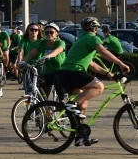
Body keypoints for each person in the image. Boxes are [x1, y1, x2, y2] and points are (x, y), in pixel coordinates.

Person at [56, 17, 130, 146]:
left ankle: (80, 136)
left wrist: (108, 74)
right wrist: (120, 63)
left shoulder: (83, 40)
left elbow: (91, 64)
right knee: (99, 86)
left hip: (64, 74)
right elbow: (103, 52)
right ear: (95, 28)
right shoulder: (92, 38)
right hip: (73, 72)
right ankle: (71, 105)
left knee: (83, 104)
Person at [21, 22, 66, 100]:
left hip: (59, 71)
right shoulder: (43, 43)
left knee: (60, 94)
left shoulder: (60, 42)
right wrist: (22, 61)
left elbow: (57, 51)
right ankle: (43, 109)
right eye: (47, 32)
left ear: (56, 34)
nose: (49, 34)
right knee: (42, 96)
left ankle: (62, 106)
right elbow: (32, 53)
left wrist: (48, 56)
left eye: (51, 32)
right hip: (47, 72)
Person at [16, 23, 42, 95]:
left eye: (36, 30)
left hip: (39, 65)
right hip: (27, 64)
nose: (34, 31)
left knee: (39, 86)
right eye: (32, 30)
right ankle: (30, 102)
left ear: (38, 32)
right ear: (28, 31)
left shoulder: (41, 41)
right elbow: (21, 52)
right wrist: (20, 63)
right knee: (28, 87)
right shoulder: (24, 40)